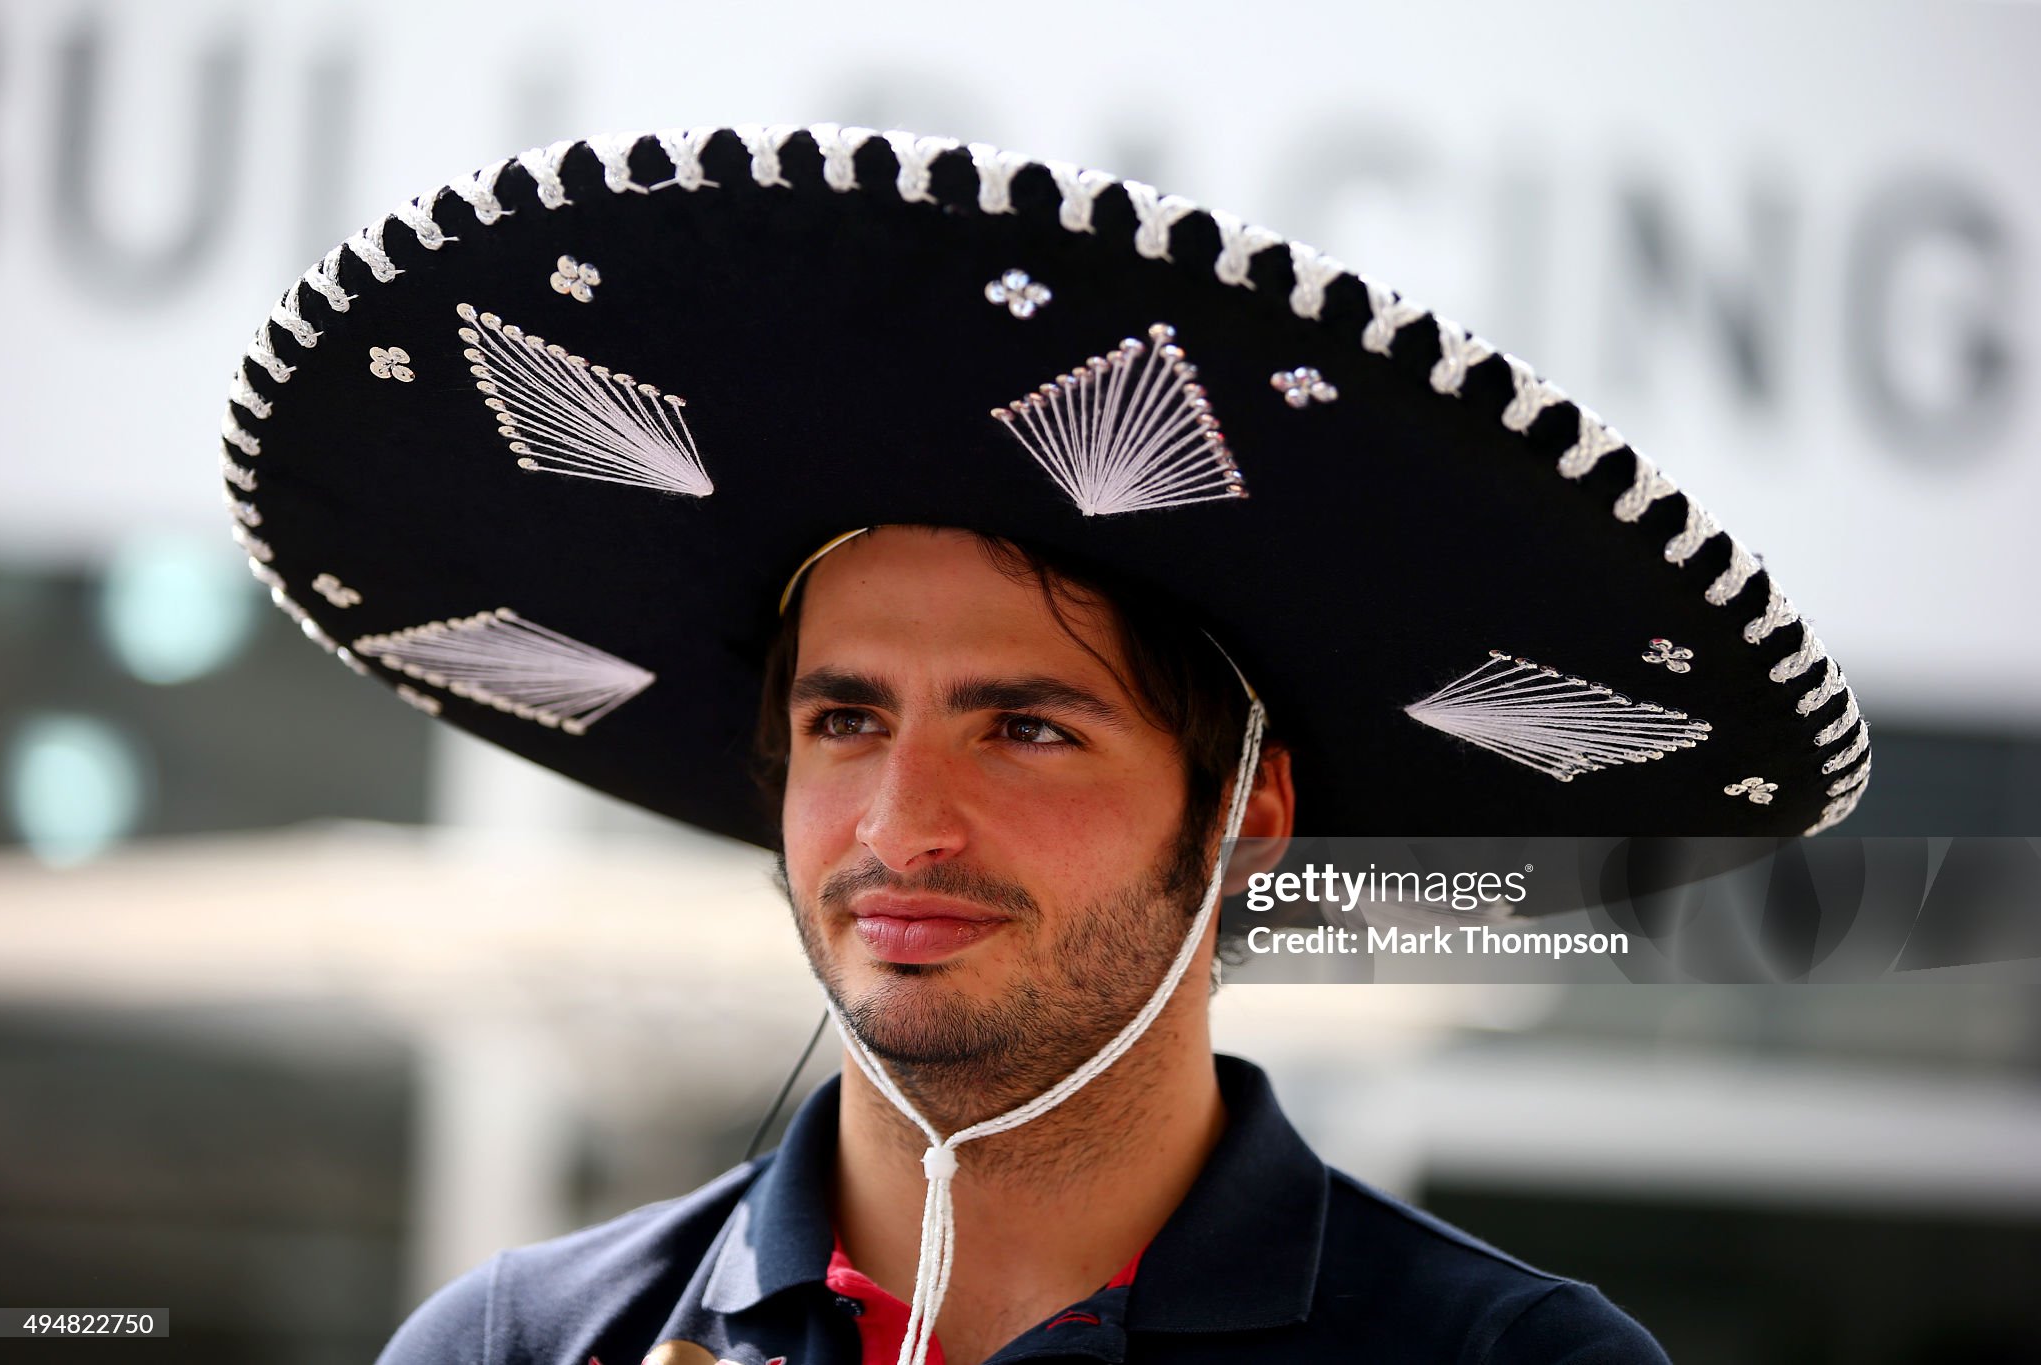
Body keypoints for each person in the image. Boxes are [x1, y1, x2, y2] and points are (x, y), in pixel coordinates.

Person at [222, 122, 1870, 1364]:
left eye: (1026, 725)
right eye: (845, 716)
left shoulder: (1502, 1360)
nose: (902, 821)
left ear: (1246, 812)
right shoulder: (521, 1345)